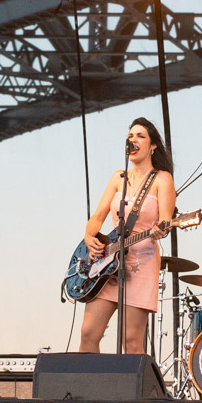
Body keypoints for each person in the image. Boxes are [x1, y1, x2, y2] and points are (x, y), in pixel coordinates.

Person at [78, 118, 175, 354]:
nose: (133, 140)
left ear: (153, 146)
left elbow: (165, 222)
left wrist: (162, 228)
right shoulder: (118, 177)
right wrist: (90, 236)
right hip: (107, 263)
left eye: (140, 136)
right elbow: (97, 217)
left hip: (140, 265)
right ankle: (89, 390)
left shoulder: (162, 179)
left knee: (130, 341)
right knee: (89, 333)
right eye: (130, 136)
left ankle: (135, 392)